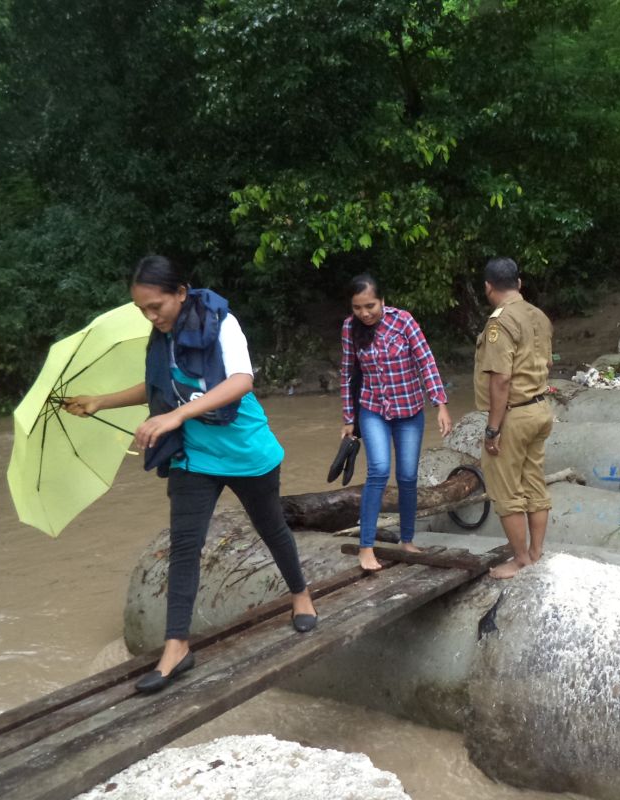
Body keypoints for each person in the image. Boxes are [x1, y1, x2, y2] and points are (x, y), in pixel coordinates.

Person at [65, 256, 317, 694]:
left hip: (244, 450)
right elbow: (159, 384)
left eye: (156, 306)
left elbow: (241, 381)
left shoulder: (222, 324)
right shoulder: (160, 337)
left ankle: (301, 595)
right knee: (184, 545)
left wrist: (174, 417)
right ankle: (176, 646)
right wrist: (100, 401)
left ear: (181, 293)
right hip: (194, 456)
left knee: (271, 526)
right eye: (142, 309)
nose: (151, 316)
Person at [340, 274, 451, 571]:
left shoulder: (403, 321)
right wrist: (349, 418)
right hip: (373, 409)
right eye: (358, 307)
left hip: (410, 410)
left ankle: (407, 540)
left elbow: (426, 361)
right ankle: (366, 548)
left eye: (370, 306)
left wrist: (440, 404)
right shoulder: (350, 328)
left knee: (407, 477)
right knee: (378, 470)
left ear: (383, 301)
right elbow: (347, 373)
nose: (365, 313)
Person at [474, 257, 554, 580]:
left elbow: (501, 379)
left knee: (506, 489)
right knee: (533, 481)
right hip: (540, 410)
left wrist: (493, 428)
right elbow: (547, 364)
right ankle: (536, 552)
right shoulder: (539, 316)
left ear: (488, 287)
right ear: (519, 284)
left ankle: (521, 560)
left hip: (515, 415)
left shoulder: (499, 323)